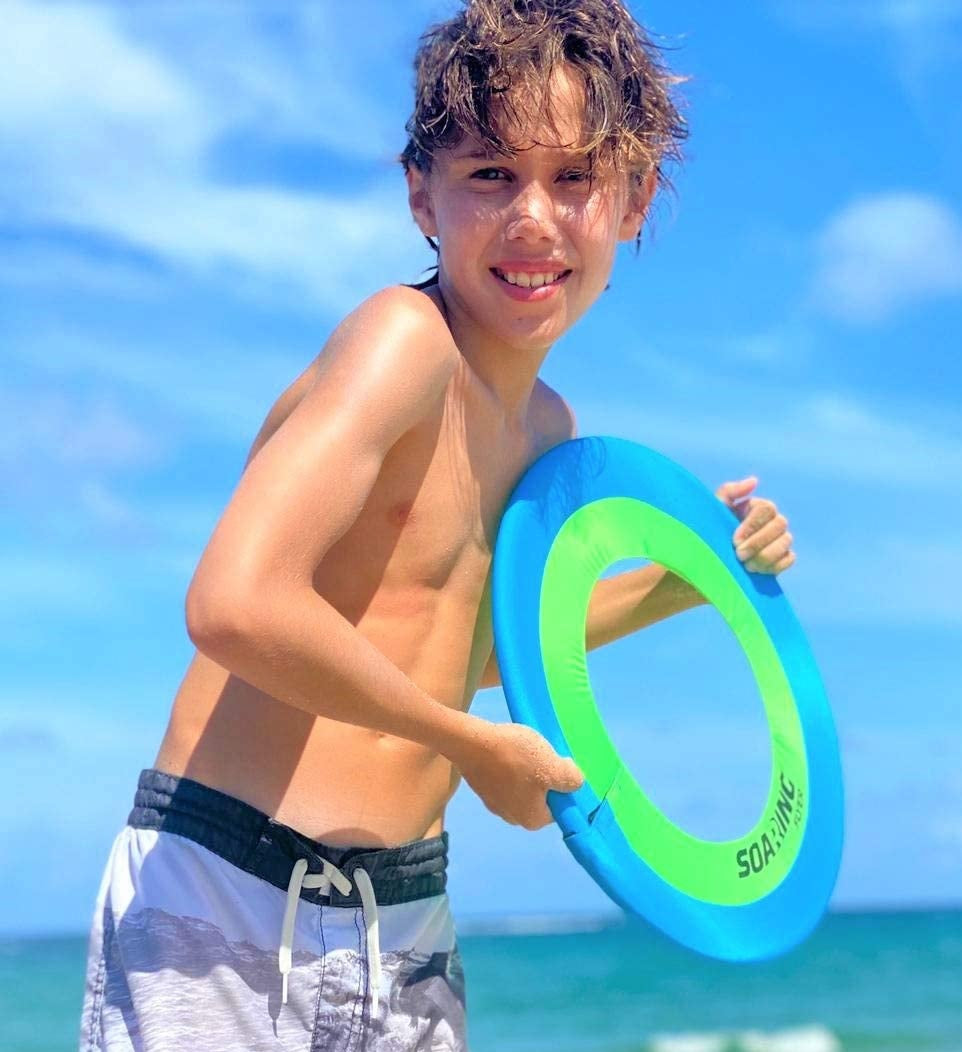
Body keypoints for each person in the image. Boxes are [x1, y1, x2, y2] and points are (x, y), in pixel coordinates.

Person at [78, 1, 796, 1049]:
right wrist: (469, 746)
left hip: (401, 921)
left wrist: (690, 578)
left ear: (633, 200)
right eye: (490, 174)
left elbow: (471, 638)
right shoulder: (398, 345)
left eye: (574, 178)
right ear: (422, 194)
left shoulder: (548, 427)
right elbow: (233, 601)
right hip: (232, 890)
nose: (533, 219)